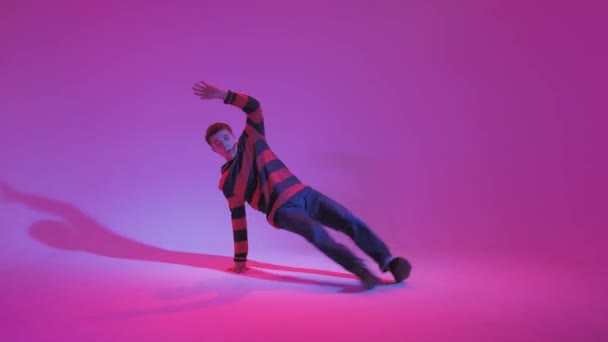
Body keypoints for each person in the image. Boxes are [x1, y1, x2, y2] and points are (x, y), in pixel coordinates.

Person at [192, 80, 412, 289]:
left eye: (226, 138)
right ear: (213, 150)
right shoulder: (227, 182)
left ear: (233, 137)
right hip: (281, 210)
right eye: (217, 144)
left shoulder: (252, 140)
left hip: (304, 194)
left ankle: (389, 261)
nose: (224, 145)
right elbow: (238, 219)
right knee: (316, 233)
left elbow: (254, 107)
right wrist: (240, 258)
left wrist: (222, 95)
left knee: (347, 219)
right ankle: (362, 272)